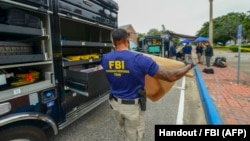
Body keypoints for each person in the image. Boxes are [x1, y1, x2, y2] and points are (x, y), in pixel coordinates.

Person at [100, 28, 194, 141]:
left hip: (114, 105)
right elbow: (171, 76)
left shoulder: (105, 59)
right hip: (132, 108)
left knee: (125, 129)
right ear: (128, 40)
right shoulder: (141, 60)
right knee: (134, 136)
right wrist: (189, 66)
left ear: (113, 42)